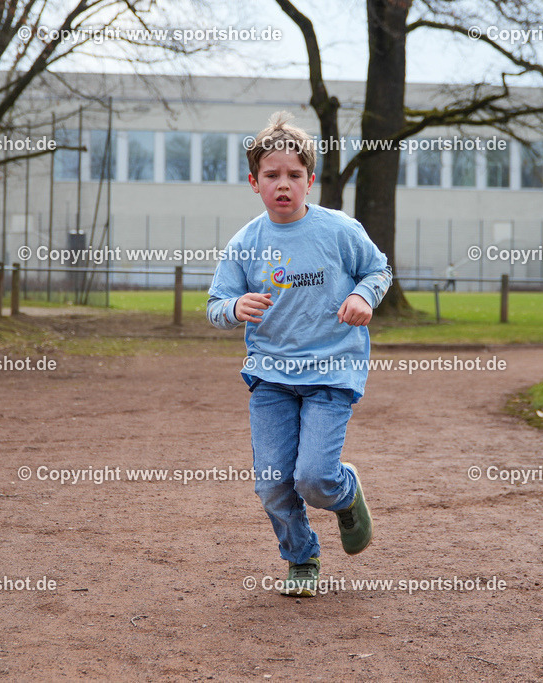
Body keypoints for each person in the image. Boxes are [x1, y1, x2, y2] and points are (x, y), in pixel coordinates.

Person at [206, 112, 392, 597]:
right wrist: (234, 308)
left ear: (310, 180)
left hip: (331, 370)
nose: (283, 184)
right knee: (272, 482)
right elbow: (215, 305)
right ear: (255, 183)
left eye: (294, 175)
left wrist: (363, 296)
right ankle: (301, 557)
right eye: (272, 175)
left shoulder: (339, 230)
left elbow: (378, 270)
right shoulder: (245, 243)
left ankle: (343, 492)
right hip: (270, 376)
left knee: (313, 478)